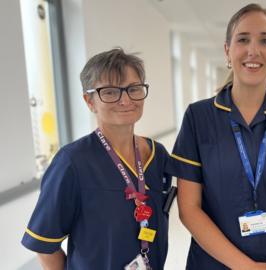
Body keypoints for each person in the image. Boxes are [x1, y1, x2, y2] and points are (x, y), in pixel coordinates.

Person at [166, 3, 266, 269]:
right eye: (243, 39)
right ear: (228, 50)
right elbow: (189, 210)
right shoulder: (198, 117)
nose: (254, 50)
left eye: (265, 40)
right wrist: (246, 267)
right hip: (214, 263)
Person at [21, 48, 172, 269]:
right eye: (110, 92)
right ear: (89, 101)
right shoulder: (72, 162)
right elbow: (44, 246)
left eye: (133, 89)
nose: (125, 100)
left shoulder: (157, 155)